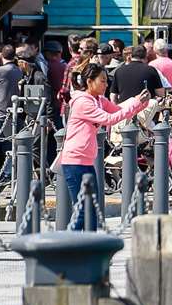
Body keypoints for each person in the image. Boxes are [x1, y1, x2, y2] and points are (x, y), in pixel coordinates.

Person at [57, 64, 149, 229]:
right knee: (82, 210)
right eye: (103, 81)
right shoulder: (82, 102)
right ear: (90, 81)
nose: (106, 85)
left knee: (92, 209)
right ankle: (70, 247)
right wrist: (136, 102)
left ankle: (90, 248)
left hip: (85, 160)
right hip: (74, 161)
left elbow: (119, 110)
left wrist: (140, 103)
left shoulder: (98, 100)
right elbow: (109, 119)